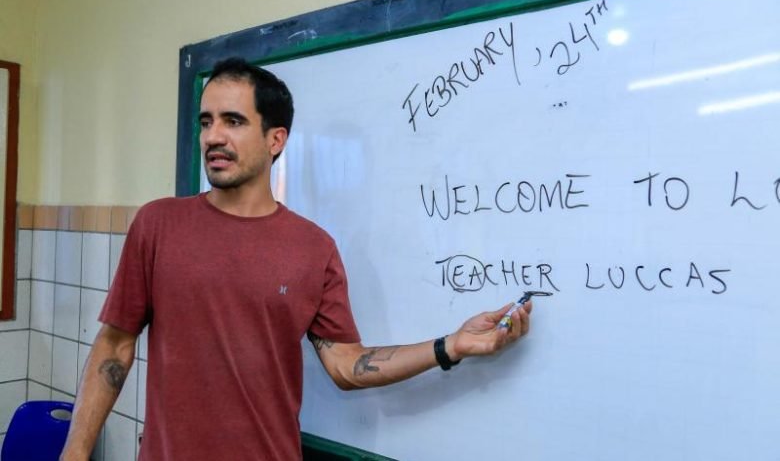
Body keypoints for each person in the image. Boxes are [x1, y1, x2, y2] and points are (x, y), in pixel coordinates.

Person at [60, 57, 533, 461]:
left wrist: (450, 345)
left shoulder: (313, 248)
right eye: (206, 122)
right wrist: (75, 453)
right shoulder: (158, 224)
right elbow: (114, 346)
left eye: (233, 121)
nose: (213, 136)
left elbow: (347, 365)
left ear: (276, 140)